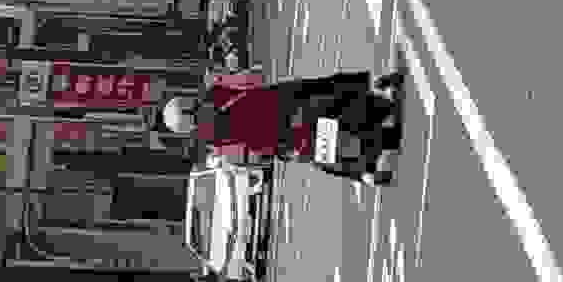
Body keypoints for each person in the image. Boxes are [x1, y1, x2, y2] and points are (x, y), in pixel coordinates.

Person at [173, 67, 403, 180]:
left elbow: (246, 157)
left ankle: (364, 174)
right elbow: (253, 78)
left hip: (286, 141)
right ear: (187, 103)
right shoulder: (214, 94)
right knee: (327, 87)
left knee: (323, 158)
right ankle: (375, 85)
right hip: (285, 103)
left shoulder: (213, 141)